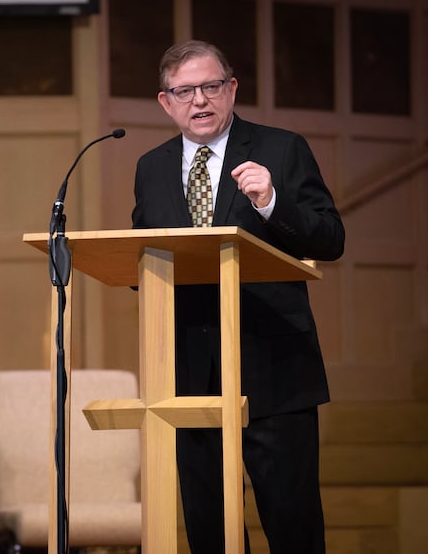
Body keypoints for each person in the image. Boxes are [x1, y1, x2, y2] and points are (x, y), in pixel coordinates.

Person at [132, 40, 345, 553]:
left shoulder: (281, 148)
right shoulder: (151, 166)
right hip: (189, 376)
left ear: (231, 89)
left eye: (210, 87)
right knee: (211, 532)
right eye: (185, 91)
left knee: (291, 525)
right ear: (166, 102)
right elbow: (144, 260)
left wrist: (272, 202)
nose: (199, 101)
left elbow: (330, 239)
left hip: (273, 368)